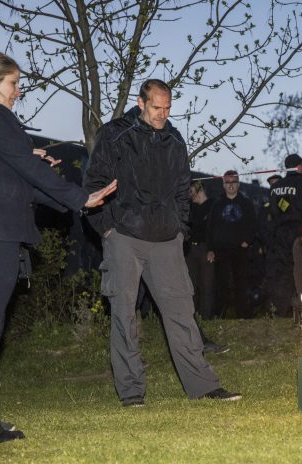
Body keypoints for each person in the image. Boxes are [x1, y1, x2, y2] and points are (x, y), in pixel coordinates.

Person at [0, 51, 117, 444]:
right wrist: (80, 197)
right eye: (13, 84)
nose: (18, 91)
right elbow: (27, 171)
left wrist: (72, 200)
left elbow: (17, 179)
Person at [83, 79, 240, 405]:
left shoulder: (174, 139)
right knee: (124, 315)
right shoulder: (115, 134)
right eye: (157, 107)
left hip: (167, 239)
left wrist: (180, 229)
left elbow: (183, 189)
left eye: (168, 108)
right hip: (125, 236)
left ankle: (203, 385)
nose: (163, 114)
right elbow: (94, 184)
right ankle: (131, 392)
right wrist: (107, 229)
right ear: (141, 103)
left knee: (182, 312)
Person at [266, 154, 302, 317]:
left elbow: (271, 213)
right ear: (298, 167)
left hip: (279, 236)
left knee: (283, 274)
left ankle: (282, 312)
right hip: (300, 234)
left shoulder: (274, 188)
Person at [206, 170, 257, 318]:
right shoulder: (217, 204)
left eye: (233, 182)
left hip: (240, 249)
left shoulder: (246, 203)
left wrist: (247, 240)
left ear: (238, 184)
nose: (231, 185)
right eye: (227, 182)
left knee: (241, 283)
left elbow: (253, 224)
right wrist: (210, 249)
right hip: (221, 249)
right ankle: (219, 315)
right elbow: (210, 227)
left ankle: (243, 315)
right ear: (223, 185)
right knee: (221, 283)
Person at [185, 180, 217, 320]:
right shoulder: (191, 208)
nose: (190, 195)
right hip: (190, 250)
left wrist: (212, 249)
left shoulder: (213, 206)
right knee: (191, 285)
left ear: (200, 190)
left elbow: (214, 230)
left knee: (206, 285)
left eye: (191, 191)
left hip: (206, 249)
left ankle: (206, 317)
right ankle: (192, 317)